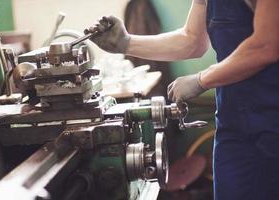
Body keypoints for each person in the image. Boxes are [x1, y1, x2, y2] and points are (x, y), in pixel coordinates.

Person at [85, 0, 279, 199]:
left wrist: (201, 80)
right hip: (234, 124)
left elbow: (267, 44)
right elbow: (193, 39)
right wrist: (126, 43)